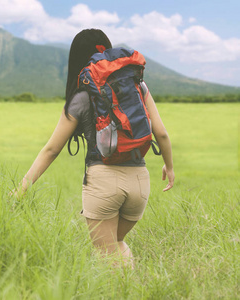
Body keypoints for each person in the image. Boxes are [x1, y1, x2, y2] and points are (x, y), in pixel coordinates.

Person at [13, 29, 174, 268]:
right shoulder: (138, 85)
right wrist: (169, 167)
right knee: (117, 243)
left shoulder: (82, 94)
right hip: (140, 182)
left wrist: (22, 188)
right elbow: (160, 132)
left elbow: (51, 150)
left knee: (107, 257)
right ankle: (138, 287)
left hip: (103, 181)